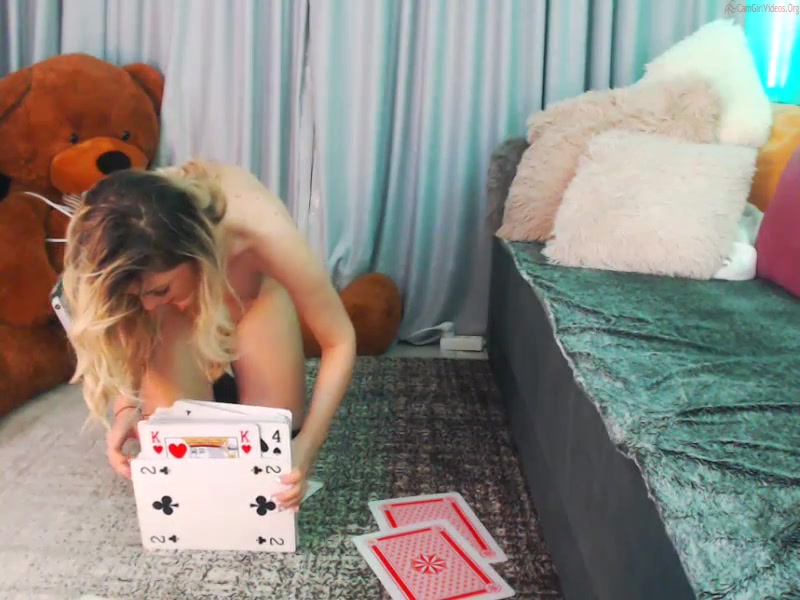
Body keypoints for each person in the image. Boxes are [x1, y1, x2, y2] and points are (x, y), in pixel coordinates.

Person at [61, 160, 356, 510]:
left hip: (254, 296)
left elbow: (339, 340)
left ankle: (232, 390)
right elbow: (132, 322)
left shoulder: (264, 235)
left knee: (274, 442)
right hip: (179, 307)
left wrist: (306, 448)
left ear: (194, 254)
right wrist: (127, 405)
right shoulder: (135, 238)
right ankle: (210, 386)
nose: (147, 305)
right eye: (136, 296)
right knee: (176, 445)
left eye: (158, 290)